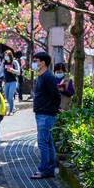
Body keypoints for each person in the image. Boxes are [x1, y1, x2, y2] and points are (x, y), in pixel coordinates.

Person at [31, 51, 60, 179]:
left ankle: (44, 170)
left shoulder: (48, 77)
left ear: (43, 62)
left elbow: (56, 95)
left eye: (36, 61)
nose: (35, 63)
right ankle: (49, 170)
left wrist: (52, 109)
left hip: (46, 114)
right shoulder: (41, 76)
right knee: (48, 142)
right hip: (42, 113)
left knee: (43, 142)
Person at [1, 50, 20, 114]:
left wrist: (12, 70)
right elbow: (2, 71)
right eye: (5, 55)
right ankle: (13, 108)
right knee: (6, 97)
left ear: (10, 56)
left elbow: (18, 72)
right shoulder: (4, 63)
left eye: (7, 55)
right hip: (6, 82)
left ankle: (11, 111)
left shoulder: (14, 62)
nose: (6, 57)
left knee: (10, 96)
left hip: (13, 82)